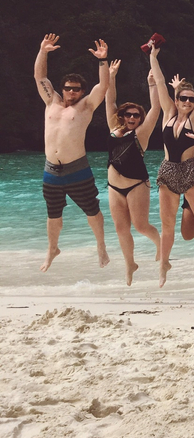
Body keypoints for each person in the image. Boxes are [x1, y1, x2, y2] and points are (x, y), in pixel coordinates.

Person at [34, 34, 110, 272]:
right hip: (51, 170)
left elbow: (103, 86)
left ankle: (101, 247)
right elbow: (40, 76)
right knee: (53, 214)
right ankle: (52, 250)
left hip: (77, 169)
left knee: (92, 210)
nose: (72, 92)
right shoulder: (51, 102)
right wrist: (43, 51)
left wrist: (103, 60)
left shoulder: (86, 107)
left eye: (77, 89)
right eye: (68, 88)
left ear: (82, 92)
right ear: (62, 89)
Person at [150, 44, 194, 286]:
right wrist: (152, 57)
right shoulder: (168, 113)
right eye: (183, 98)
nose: (188, 102)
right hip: (168, 171)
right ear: (177, 99)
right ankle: (163, 265)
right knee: (167, 224)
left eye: (191, 99)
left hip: (190, 170)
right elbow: (160, 83)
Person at [104, 57, 162, 285]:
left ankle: (159, 243)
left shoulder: (142, 134)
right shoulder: (113, 128)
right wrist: (111, 76)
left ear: (140, 118)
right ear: (122, 116)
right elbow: (110, 101)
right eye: (127, 115)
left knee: (140, 225)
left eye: (135, 115)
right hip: (113, 186)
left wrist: (152, 84)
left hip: (136, 184)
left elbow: (156, 108)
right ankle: (130, 264)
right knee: (121, 228)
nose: (131, 118)